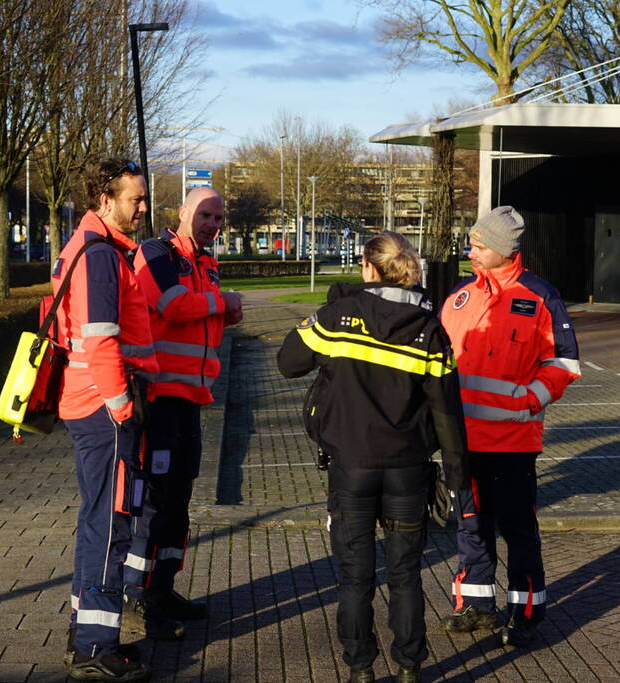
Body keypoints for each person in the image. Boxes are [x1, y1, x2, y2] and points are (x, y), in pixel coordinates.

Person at [276, 231, 468, 683]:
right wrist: (458, 476)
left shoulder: (339, 316)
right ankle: (409, 666)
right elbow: (446, 410)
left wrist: (328, 309)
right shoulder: (429, 329)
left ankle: (360, 668)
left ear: (368, 269)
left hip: (352, 468)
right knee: (406, 574)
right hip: (408, 470)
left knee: (355, 576)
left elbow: (289, 361)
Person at [438, 205, 581, 648]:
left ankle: (526, 613)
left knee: (518, 530)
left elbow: (563, 362)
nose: (471, 250)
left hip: (514, 439)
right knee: (469, 525)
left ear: (502, 249)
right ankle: (474, 604)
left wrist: (528, 400)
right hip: (462, 439)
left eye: (479, 245)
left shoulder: (540, 297)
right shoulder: (460, 296)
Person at [122, 187, 243, 638]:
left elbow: (199, 312)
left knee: (178, 503)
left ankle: (163, 589)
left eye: (218, 217)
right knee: (153, 502)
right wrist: (221, 302)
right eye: (205, 215)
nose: (213, 224)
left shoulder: (206, 262)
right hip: (159, 401)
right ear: (183, 212)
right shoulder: (157, 252)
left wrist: (224, 313)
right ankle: (138, 596)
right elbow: (170, 304)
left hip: (192, 400)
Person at [54, 158, 157, 681]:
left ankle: (87, 631)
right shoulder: (100, 256)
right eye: (134, 199)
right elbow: (99, 338)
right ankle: (96, 648)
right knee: (111, 521)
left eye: (143, 197)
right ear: (104, 200)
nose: (143, 207)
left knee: (101, 516)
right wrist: (122, 404)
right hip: (105, 407)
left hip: (95, 405)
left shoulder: (97, 248)